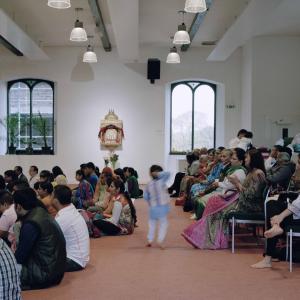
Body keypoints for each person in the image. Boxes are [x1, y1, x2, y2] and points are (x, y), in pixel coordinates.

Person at [182, 149, 265, 249]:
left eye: (247, 157)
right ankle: (204, 236)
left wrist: (236, 183)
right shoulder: (252, 172)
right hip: (243, 200)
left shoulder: (258, 173)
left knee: (218, 208)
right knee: (214, 202)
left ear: (254, 159)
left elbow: (251, 195)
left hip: (250, 206)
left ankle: (212, 239)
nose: (245, 159)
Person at [13, 188, 66, 290]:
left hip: (43, 275)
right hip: (56, 271)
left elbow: (20, 257)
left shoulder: (31, 224)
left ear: (18, 206)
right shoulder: (41, 212)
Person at [252, 193, 300, 269]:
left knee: (275, 216)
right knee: (271, 203)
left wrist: (280, 216)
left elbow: (298, 204)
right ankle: (275, 226)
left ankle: (268, 259)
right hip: (296, 214)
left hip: (297, 218)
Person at [53, 185, 90, 272]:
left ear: (56, 200)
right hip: (79, 258)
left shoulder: (63, 217)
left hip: (74, 260)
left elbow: (49, 240)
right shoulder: (71, 209)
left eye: (52, 195)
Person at [144, 165, 170, 249]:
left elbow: (145, 196)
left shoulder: (148, 184)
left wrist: (150, 203)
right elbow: (168, 174)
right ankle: (160, 240)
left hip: (153, 208)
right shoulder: (162, 181)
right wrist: (159, 174)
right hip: (162, 207)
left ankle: (150, 240)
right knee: (163, 224)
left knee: (152, 224)